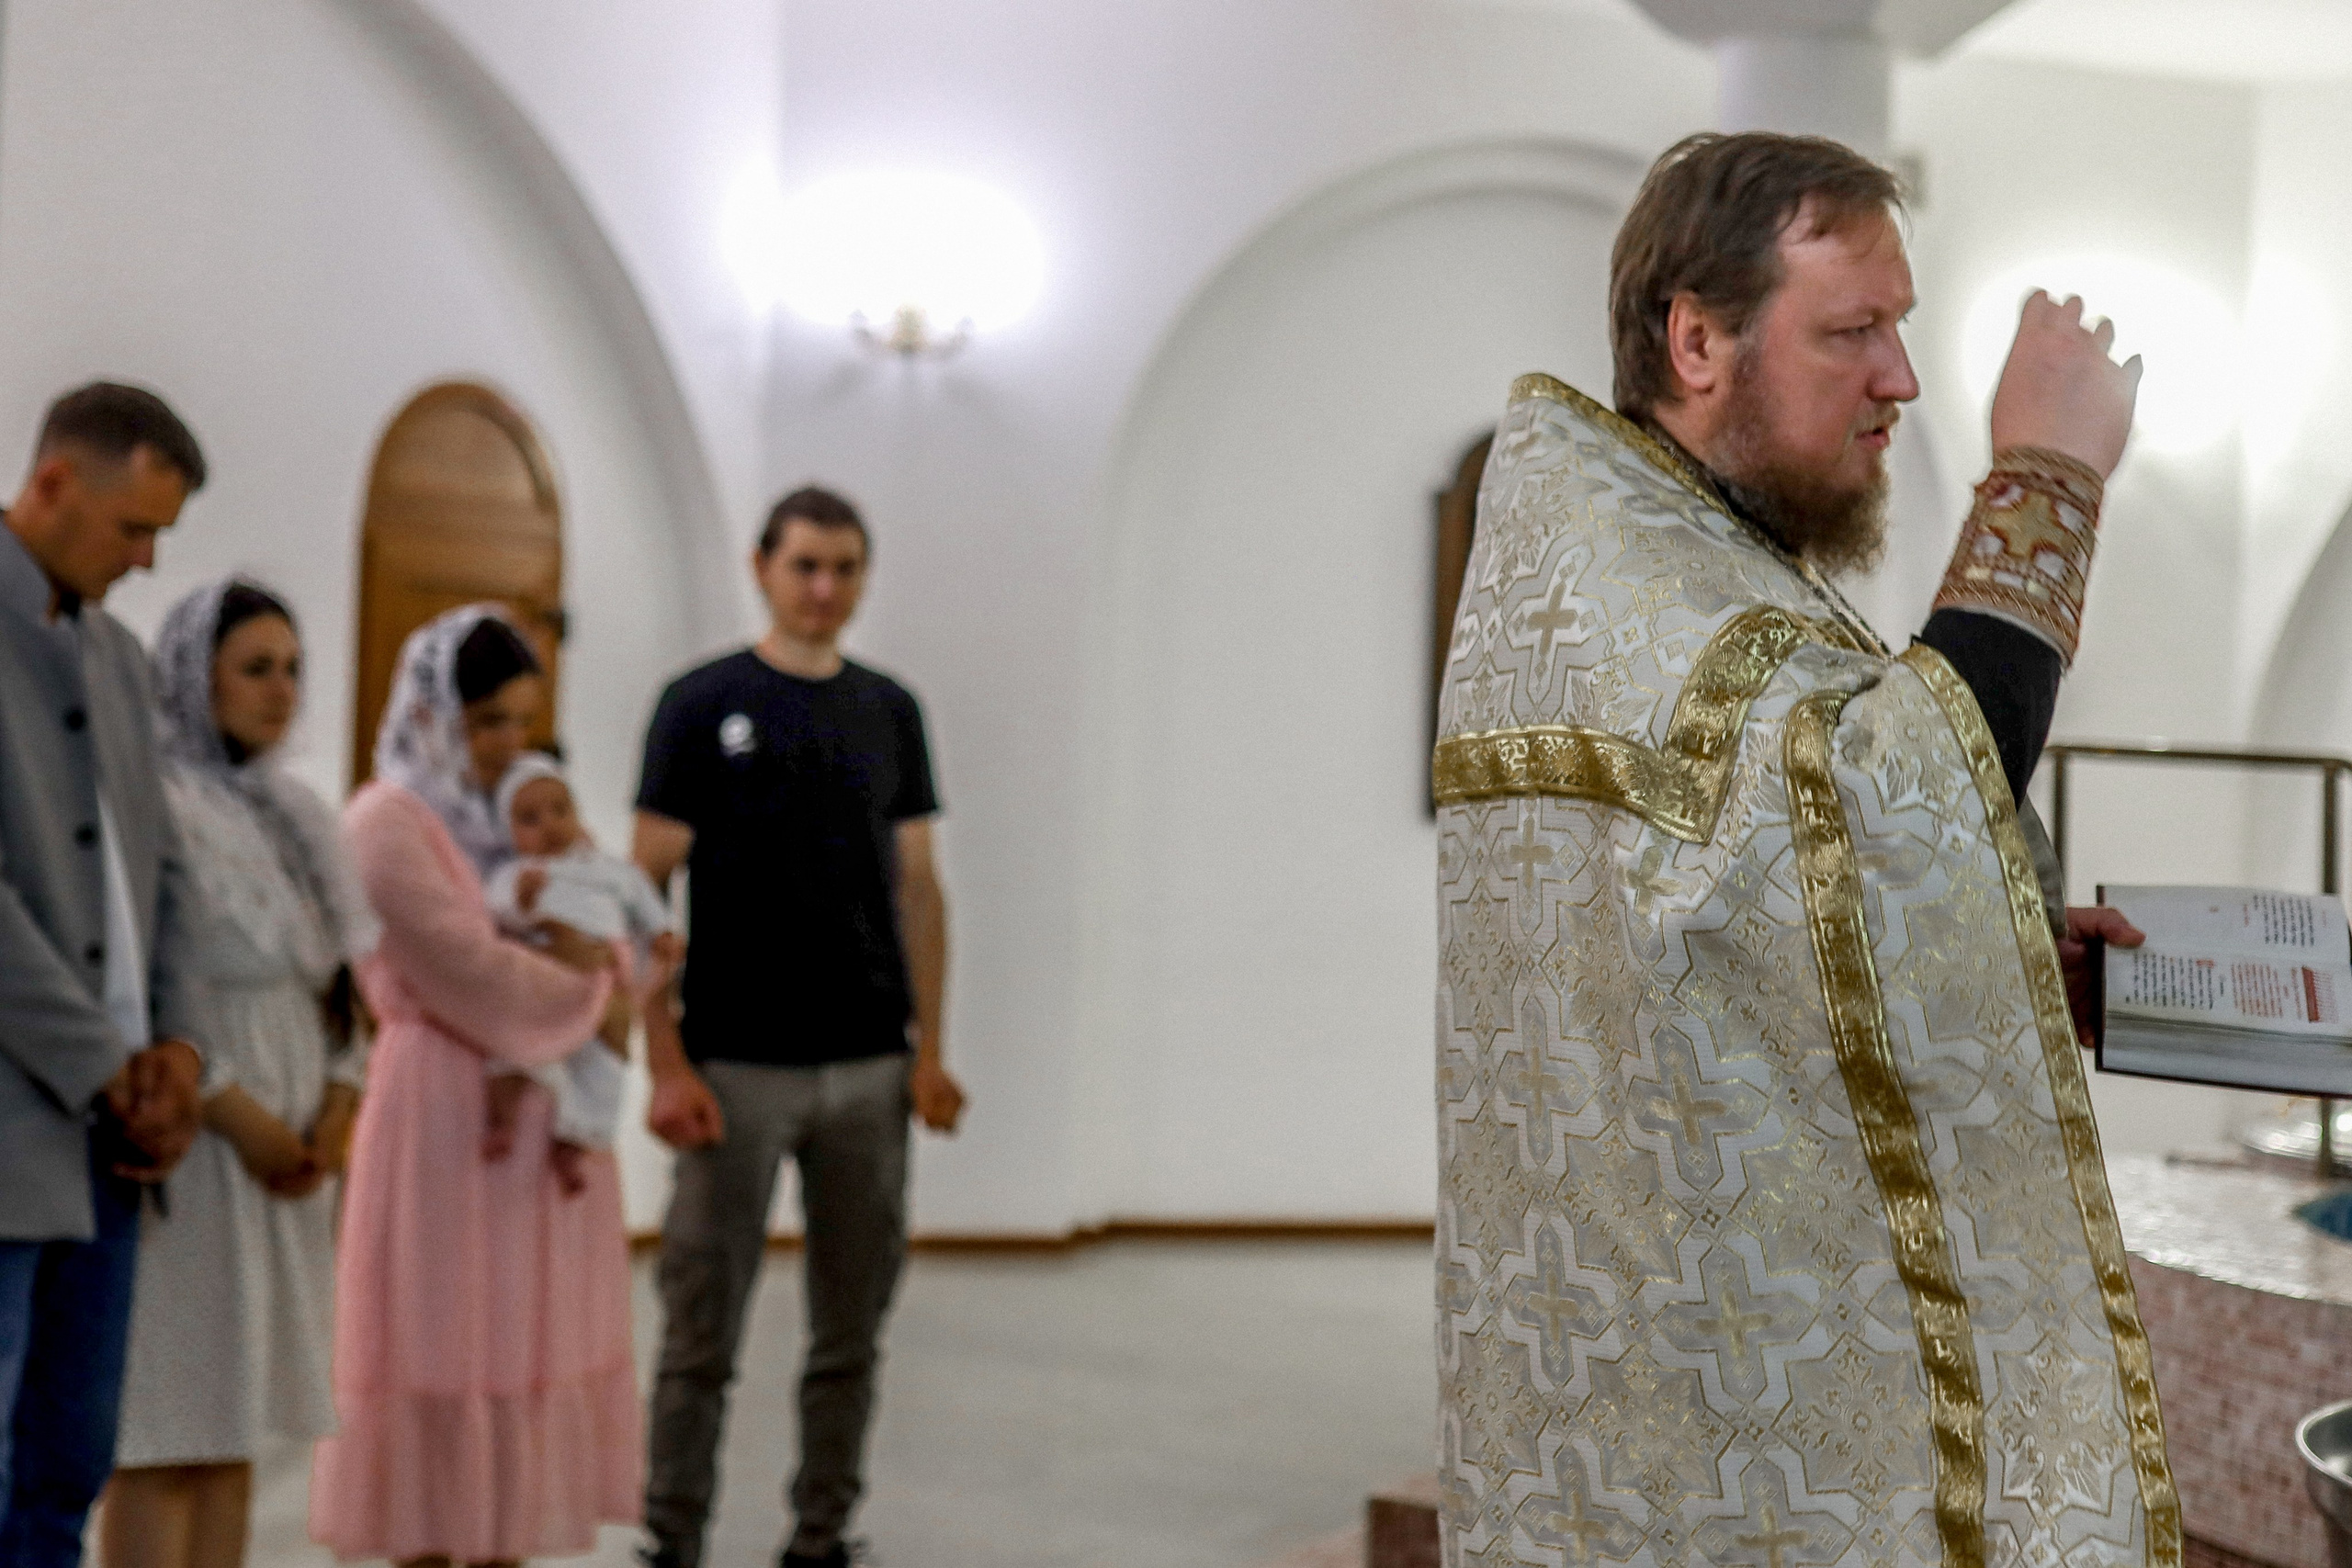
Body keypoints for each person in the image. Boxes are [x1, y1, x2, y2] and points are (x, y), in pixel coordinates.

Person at [1432, 132, 2177, 1566]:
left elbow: (1759, 917)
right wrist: (2047, 477)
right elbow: (1875, 816)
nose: (1901, 376)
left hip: (1697, 1343)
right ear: (1697, 339)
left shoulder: (1668, 562)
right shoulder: (1632, 591)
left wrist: (2003, 934)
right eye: (1854, 330)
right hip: (1695, 1391)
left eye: (1900, 323)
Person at [635, 486, 963, 1568]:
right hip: (734, 1064)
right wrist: (665, 1058)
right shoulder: (699, 703)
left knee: (850, 1332)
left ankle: (821, 1536)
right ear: (762, 567)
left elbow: (919, 887)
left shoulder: (889, 710)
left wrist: (931, 1051)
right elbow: (644, 894)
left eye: (845, 568)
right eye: (806, 566)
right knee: (699, 1331)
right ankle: (671, 1537)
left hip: (868, 1063)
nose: (825, 589)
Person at [310, 605, 639, 1567]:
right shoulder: (384, 822)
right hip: (439, 1121)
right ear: (434, 714)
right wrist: (593, 985)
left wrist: (602, 967)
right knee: (440, 1354)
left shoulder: (528, 818)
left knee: (521, 1366)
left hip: (544, 1134)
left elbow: (611, 923)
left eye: (521, 725)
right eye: (487, 722)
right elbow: (470, 972)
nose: (505, 747)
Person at [101, 578, 379, 1568]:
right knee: (167, 1427)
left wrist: (340, 1102)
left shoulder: (295, 811)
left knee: (239, 1426)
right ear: (192, 679)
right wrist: (244, 1118)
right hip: (204, 1140)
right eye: (255, 669)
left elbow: (345, 983)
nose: (282, 691)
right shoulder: (155, 798)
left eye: (294, 670)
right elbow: (143, 978)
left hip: (295, 1151)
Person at [0, 383, 211, 1566]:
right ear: (52, 483)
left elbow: (163, 876)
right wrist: (103, 1065)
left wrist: (177, 1049)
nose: (145, 560)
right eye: (133, 530)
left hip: (115, 1136)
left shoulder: (122, 661)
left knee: (67, 1462)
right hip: (21, 1117)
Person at [480, 751, 682, 1197]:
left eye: (560, 810)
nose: (549, 824)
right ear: (507, 831)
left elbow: (641, 898)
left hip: (604, 984)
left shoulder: (607, 869)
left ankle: (578, 1139)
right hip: (544, 979)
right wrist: (522, 901)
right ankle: (503, 1115)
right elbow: (495, 909)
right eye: (530, 818)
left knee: (609, 1065)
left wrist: (662, 930)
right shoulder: (516, 874)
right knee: (520, 1050)